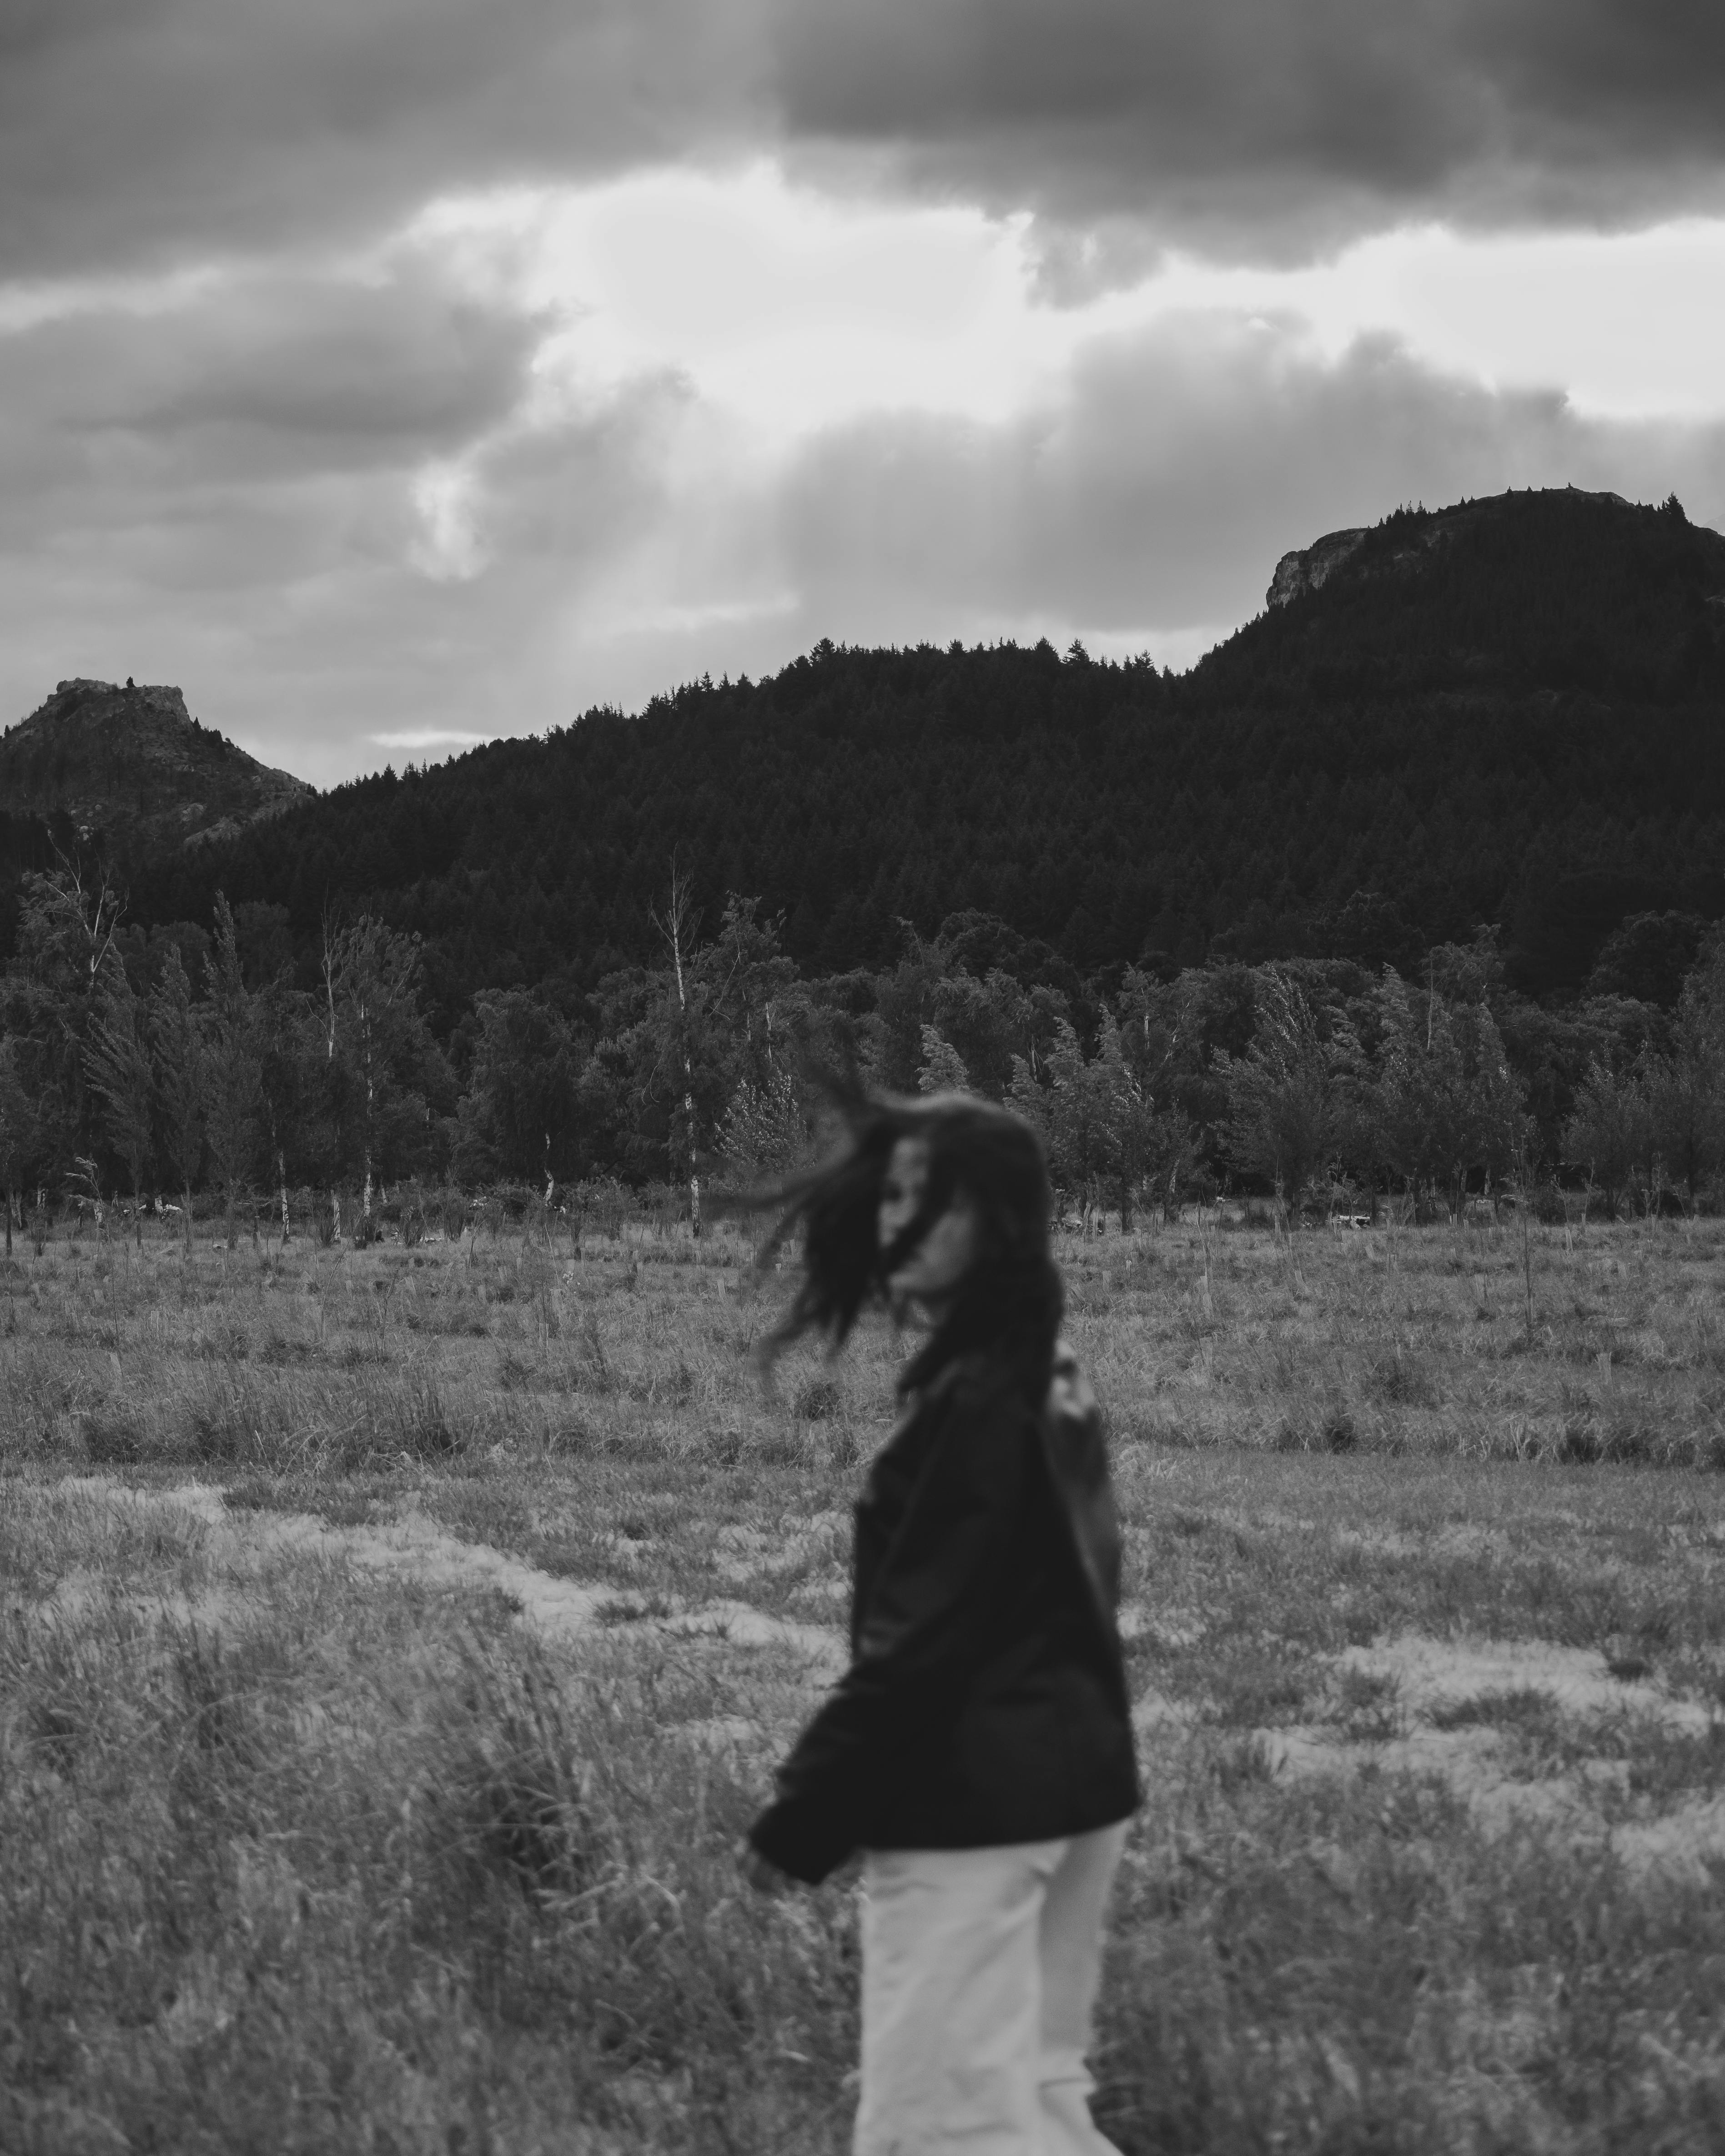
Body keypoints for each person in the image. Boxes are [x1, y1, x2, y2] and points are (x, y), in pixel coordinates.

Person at [739, 1087, 1141, 2155]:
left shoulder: (976, 1404)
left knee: (936, 2134)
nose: (893, 1223)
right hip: (1077, 1783)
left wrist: (800, 1815)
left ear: (999, 1222)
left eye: (929, 1201)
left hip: (975, 1810)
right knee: (1043, 2107)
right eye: (893, 1197)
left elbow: (919, 1648)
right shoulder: (1048, 1376)